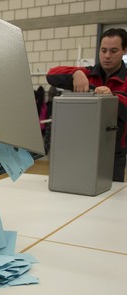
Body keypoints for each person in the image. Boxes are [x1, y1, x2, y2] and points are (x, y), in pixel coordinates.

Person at [47, 27, 127, 182]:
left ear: (124, 50)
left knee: (110, 200)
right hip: (82, 149)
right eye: (103, 50)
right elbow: (51, 74)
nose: (107, 56)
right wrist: (76, 73)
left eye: (113, 50)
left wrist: (112, 97)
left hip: (114, 154)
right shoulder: (88, 74)